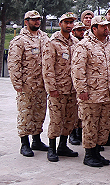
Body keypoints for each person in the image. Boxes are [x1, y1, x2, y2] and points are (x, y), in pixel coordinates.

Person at [71, 16, 110, 168]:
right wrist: (81, 90)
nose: (106, 29)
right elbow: (78, 70)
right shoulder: (84, 45)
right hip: (92, 94)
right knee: (90, 124)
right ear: (94, 28)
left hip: (108, 93)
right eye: (103, 27)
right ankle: (89, 154)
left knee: (103, 125)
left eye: (107, 26)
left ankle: (97, 152)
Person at [9, 10, 50, 158]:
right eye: (33, 20)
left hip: (42, 84)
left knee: (39, 113)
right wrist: (17, 83)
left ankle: (36, 140)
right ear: (26, 22)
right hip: (27, 85)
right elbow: (14, 64)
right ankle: (24, 143)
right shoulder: (19, 41)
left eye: (38, 19)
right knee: (25, 114)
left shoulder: (44, 38)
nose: (36, 22)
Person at [42, 12, 80, 162]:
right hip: (58, 89)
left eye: (71, 23)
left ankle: (63, 146)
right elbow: (47, 68)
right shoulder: (52, 43)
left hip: (72, 89)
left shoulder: (76, 42)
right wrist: (51, 88)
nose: (69, 25)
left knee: (70, 119)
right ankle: (52, 148)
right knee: (56, 119)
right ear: (60, 24)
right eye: (66, 22)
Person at [68, 23, 88, 146]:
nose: (82, 32)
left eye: (83, 30)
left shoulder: (86, 44)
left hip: (82, 82)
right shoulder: (72, 43)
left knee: (82, 111)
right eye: (79, 30)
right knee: (72, 111)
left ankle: (81, 132)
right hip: (68, 82)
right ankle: (72, 133)